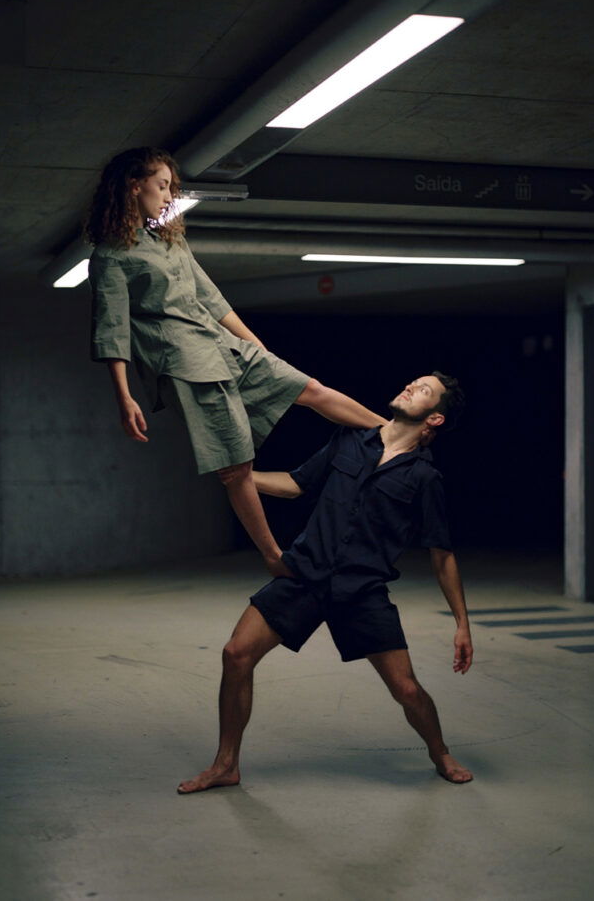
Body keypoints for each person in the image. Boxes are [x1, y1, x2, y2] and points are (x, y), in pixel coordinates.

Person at [85, 147, 386, 576]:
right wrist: (125, 398)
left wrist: (257, 345)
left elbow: (210, 298)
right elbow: (111, 329)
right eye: (163, 185)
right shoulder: (111, 257)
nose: (170, 196)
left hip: (222, 345)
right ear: (135, 186)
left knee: (311, 389)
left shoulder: (170, 239)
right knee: (236, 466)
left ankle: (391, 433)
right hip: (186, 363)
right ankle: (274, 557)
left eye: (171, 187)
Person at [177, 371, 474, 794]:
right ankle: (226, 764)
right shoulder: (350, 440)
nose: (409, 386)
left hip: (362, 591)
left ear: (436, 419)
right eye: (411, 382)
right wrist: (242, 477)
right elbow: (296, 484)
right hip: (305, 573)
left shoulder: (424, 479)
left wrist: (461, 623)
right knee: (236, 654)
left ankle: (440, 752)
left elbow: (442, 555)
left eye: (423, 390)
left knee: (407, 690)